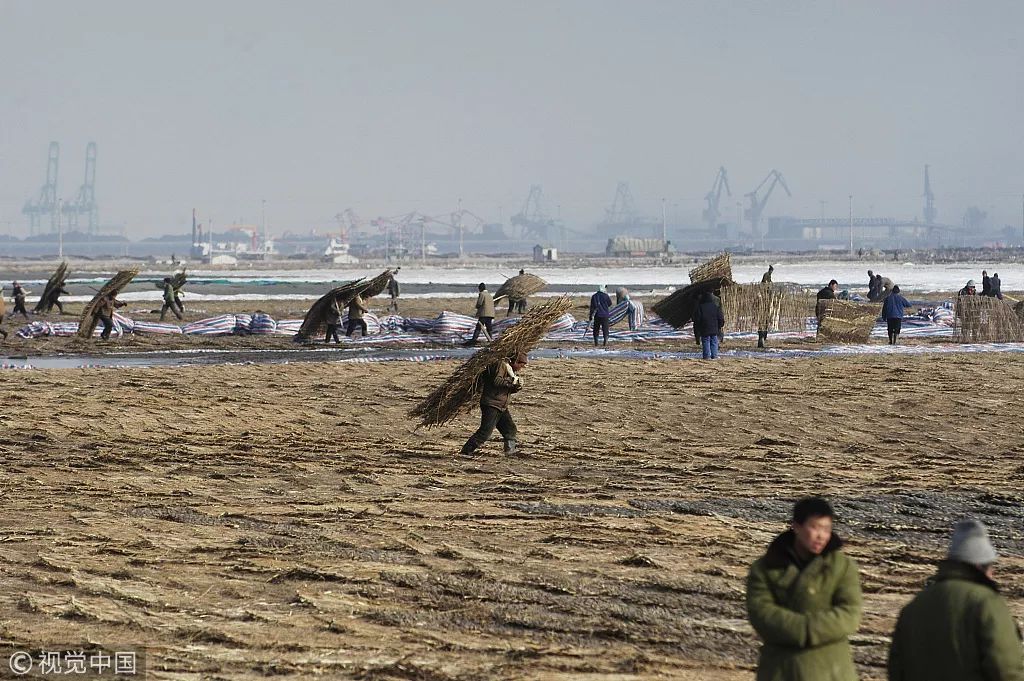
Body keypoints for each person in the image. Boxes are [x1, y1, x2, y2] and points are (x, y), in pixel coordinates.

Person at [888, 519, 1024, 681]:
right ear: (982, 566)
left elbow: (896, 666)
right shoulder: (986, 603)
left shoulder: (915, 606)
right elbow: (1006, 668)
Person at [746, 497, 862, 681]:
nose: (821, 536)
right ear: (796, 526)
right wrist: (802, 630)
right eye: (815, 527)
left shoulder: (842, 567)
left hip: (832, 670)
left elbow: (850, 613)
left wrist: (811, 630)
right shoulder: (765, 568)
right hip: (781, 669)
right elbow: (761, 613)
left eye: (827, 529)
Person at [460, 352, 528, 458]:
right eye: (521, 365)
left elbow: (506, 388)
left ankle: (510, 452)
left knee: (510, 429)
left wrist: (516, 387)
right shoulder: (501, 365)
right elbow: (496, 381)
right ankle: (465, 452)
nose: (521, 368)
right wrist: (512, 381)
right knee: (485, 433)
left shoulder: (510, 370)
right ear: (515, 361)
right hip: (492, 404)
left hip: (500, 405)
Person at [693, 290, 725, 359]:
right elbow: (720, 318)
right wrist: (719, 326)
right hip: (714, 328)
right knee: (714, 342)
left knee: (706, 341)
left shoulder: (700, 307)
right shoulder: (715, 307)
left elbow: (697, 319)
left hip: (704, 328)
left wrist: (699, 328)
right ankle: (714, 356)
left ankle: (707, 357)